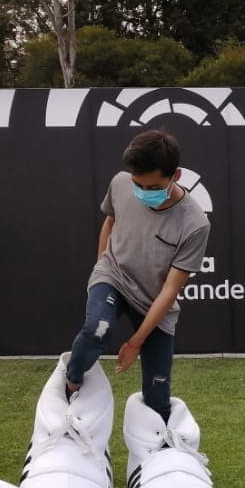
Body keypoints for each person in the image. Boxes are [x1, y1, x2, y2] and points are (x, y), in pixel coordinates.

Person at [64, 128, 210, 423]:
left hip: (153, 302)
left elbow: (170, 290)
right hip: (113, 277)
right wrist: (101, 266)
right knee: (97, 328)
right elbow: (110, 221)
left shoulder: (195, 223)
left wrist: (135, 342)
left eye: (152, 186)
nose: (142, 191)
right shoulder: (120, 183)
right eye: (137, 183)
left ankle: (157, 455)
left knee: (158, 393)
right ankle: (70, 385)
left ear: (176, 176)